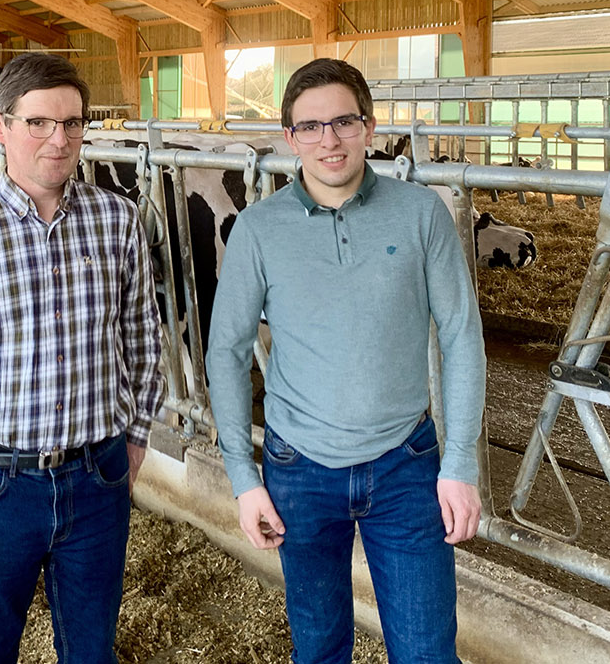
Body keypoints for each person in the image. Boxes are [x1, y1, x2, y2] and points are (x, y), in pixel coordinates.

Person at [206, 58, 486, 664]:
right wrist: (243, 478)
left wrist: (460, 462)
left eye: (343, 122)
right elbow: (225, 350)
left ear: (369, 126)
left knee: (427, 651)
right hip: (298, 470)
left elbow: (462, 333)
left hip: (405, 464)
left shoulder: (421, 212)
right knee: (319, 648)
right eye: (310, 126)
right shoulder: (258, 229)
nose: (328, 140)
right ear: (290, 137)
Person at [0, 52, 164, 664]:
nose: (59, 139)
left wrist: (135, 438)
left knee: (92, 649)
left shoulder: (117, 220)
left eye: (72, 123)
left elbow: (142, 336)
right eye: (39, 122)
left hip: (97, 478)